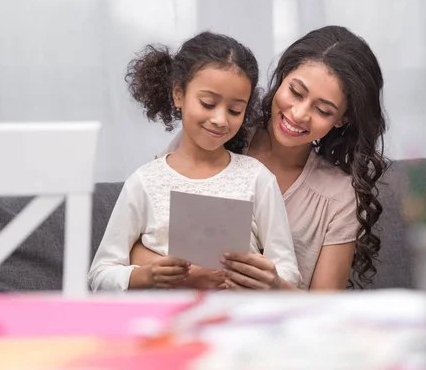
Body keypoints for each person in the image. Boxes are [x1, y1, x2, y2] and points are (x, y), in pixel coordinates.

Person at [131, 25, 389, 290]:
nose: (299, 114)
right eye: (296, 92)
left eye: (323, 110)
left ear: (341, 120)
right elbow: (133, 248)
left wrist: (277, 286)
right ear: (282, 77)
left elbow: (325, 309)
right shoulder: (218, 134)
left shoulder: (337, 197)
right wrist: (188, 274)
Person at [88, 31, 301, 291]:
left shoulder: (258, 179)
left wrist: (268, 279)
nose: (221, 120)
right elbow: (100, 274)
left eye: (235, 110)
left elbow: (288, 271)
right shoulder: (145, 182)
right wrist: (147, 276)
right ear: (179, 94)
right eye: (208, 103)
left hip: (236, 320)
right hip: (168, 322)